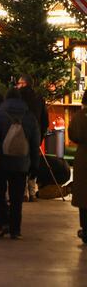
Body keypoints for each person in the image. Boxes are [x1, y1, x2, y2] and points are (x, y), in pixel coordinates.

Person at [0, 88, 40, 239]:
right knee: (17, 198)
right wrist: (34, 166)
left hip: (0, 162)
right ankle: (15, 230)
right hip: (21, 163)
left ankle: (2, 225)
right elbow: (34, 143)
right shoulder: (29, 116)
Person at [17, 74, 47, 201]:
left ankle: (23, 192)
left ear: (24, 83)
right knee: (34, 161)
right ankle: (32, 192)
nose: (18, 85)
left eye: (19, 83)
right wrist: (41, 134)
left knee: (21, 161)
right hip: (35, 133)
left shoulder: (18, 97)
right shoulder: (39, 98)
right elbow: (45, 120)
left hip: (20, 133)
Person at [69, 99, 87, 244]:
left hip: (83, 156)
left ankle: (85, 229)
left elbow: (72, 135)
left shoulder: (78, 116)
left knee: (83, 194)